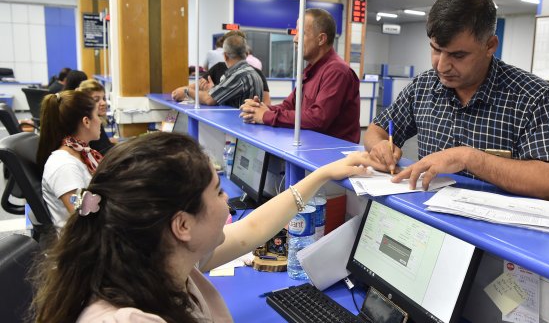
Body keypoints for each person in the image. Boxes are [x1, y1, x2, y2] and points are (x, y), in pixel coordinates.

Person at [30, 132, 374, 322]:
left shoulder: (160, 258)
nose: (228, 203)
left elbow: (251, 228)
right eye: (219, 191)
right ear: (182, 225)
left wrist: (323, 175)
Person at [363, 0, 549, 202]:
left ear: (490, 46)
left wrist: (468, 157)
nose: (442, 66)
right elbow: (375, 130)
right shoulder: (423, 86)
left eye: (458, 55)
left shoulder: (533, 97)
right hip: (428, 220)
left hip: (492, 230)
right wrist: (380, 146)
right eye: (436, 50)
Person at [239, 8, 361, 143]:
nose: (295, 39)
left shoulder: (337, 72)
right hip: (312, 148)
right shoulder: (311, 70)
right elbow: (289, 106)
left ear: (321, 39)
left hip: (333, 156)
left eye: (301, 33)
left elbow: (318, 119)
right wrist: (260, 109)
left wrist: (267, 116)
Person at [37, 90, 103, 229]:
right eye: (97, 115)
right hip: (85, 245)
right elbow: (85, 216)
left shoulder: (82, 154)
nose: (100, 120)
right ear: (86, 121)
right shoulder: (65, 167)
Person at [172, 34, 264, 107]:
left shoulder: (238, 75)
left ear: (225, 56)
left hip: (237, 126)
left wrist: (187, 91)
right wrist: (213, 90)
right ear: (246, 54)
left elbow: (209, 100)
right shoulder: (252, 72)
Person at [77, 79, 116, 154]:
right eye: (96, 99)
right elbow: (103, 151)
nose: (103, 103)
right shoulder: (89, 125)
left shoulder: (96, 121)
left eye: (103, 98)